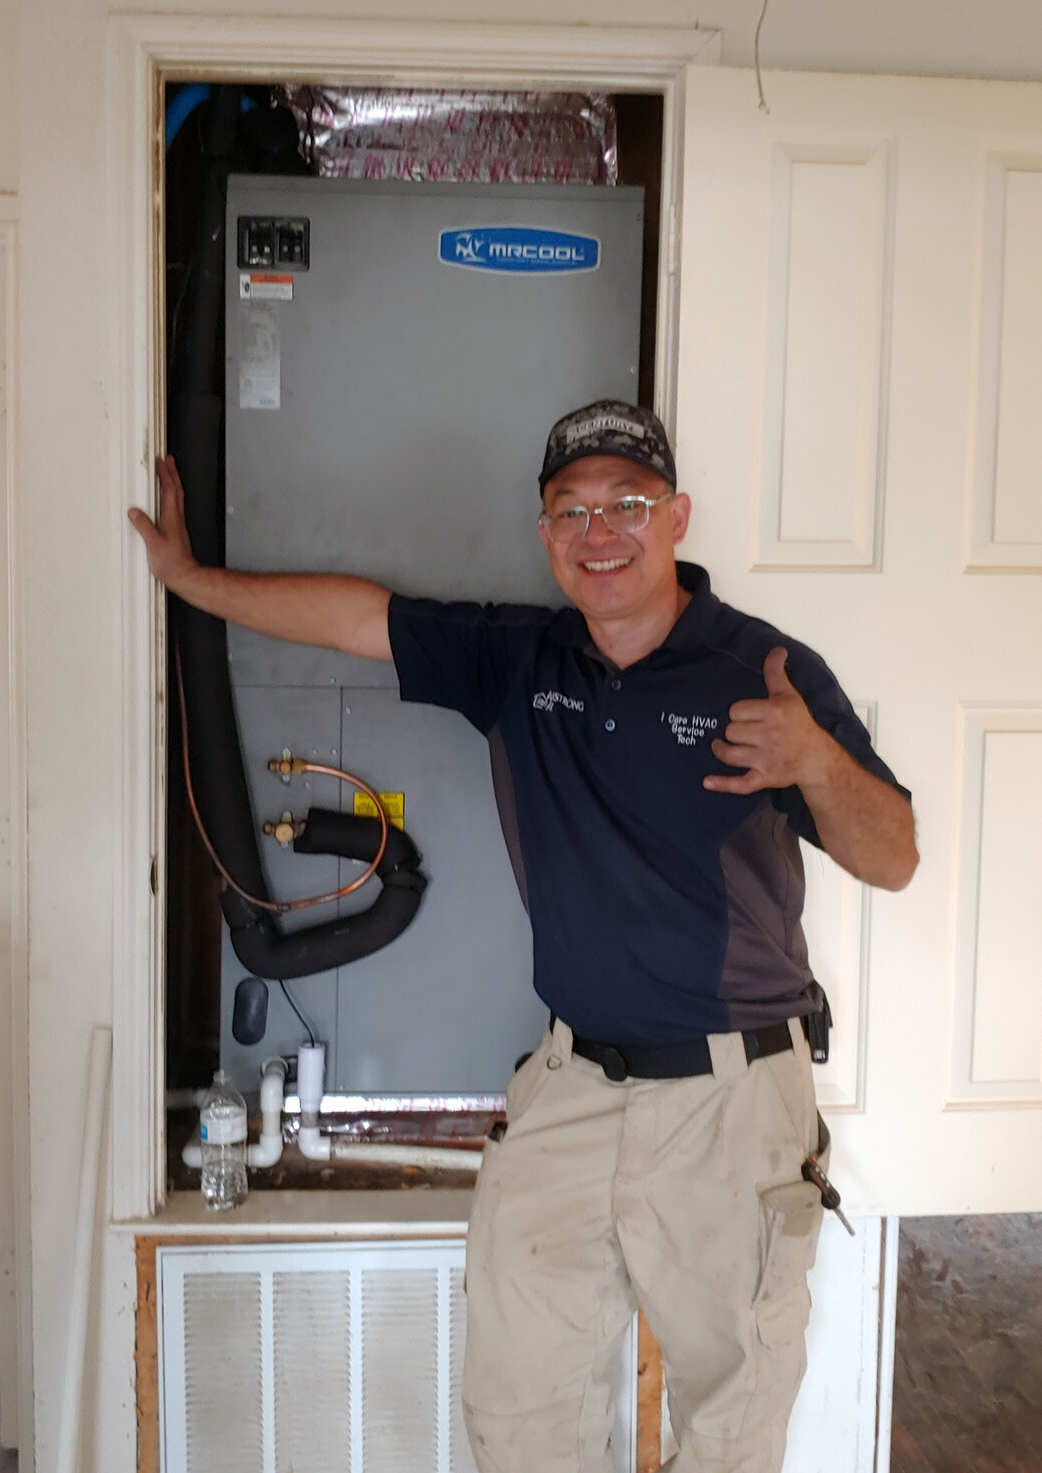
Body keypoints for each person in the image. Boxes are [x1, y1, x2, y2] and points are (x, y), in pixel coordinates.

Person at [130, 399, 917, 1473]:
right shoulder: (520, 658)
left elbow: (893, 858)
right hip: (570, 1091)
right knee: (518, 1420)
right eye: (570, 510)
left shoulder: (766, 672)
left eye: (627, 504)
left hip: (730, 1104)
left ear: (676, 516)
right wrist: (187, 585)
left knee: (732, 1423)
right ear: (546, 533)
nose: (601, 532)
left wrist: (816, 761)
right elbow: (358, 618)